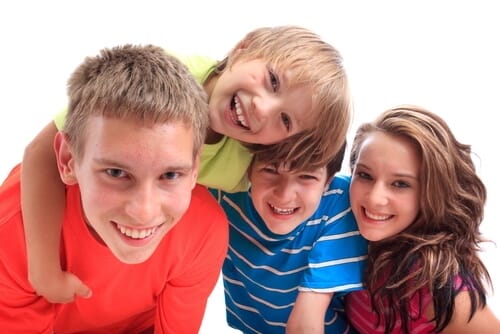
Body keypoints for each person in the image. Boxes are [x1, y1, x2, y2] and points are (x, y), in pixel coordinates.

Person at [21, 25, 353, 303]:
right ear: (244, 46)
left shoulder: (250, 157)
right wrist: (44, 271)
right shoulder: (164, 79)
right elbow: (41, 154)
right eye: (272, 80)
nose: (262, 109)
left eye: (285, 119)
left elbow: (310, 179)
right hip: (52, 212)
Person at [0, 44, 229, 333]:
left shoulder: (204, 231)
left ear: (195, 168)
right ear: (68, 160)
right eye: (116, 172)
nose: (144, 211)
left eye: (170, 174)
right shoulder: (11, 233)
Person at [345, 105, 500, 333]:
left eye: (400, 184)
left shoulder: (441, 290)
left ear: (433, 193)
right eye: (365, 175)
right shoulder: (356, 234)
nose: (375, 199)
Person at [211, 141, 368, 333]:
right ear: (248, 168)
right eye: (271, 170)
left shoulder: (340, 202)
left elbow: (307, 320)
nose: (284, 195)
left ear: (328, 181)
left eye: (306, 176)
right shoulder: (224, 193)